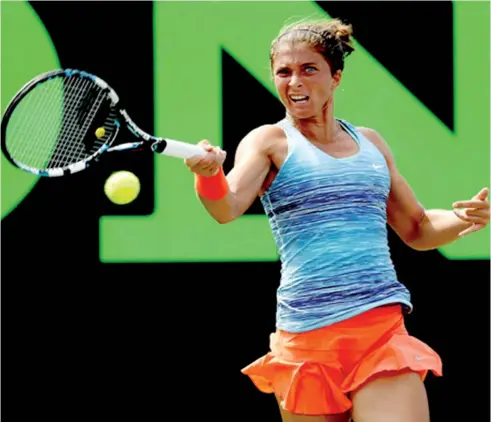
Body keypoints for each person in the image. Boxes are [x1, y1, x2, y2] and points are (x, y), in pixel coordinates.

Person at [184, 18, 490, 422]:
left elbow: (416, 228)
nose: (295, 81)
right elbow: (226, 208)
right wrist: (208, 178)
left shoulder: (372, 143)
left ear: (336, 77)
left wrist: (461, 217)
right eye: (284, 71)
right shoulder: (268, 141)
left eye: (309, 69)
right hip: (307, 341)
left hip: (380, 333)